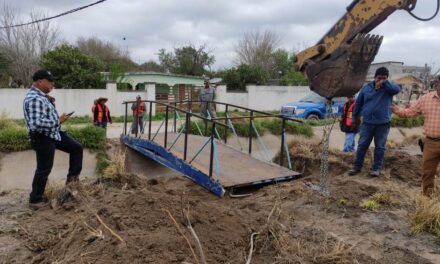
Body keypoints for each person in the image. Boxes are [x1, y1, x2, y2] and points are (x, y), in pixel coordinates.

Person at [23, 69, 83, 210]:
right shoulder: (34, 98)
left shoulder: (41, 96)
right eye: (50, 81)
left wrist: (49, 102)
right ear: (40, 81)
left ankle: (71, 185)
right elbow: (36, 124)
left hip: (54, 133)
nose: (52, 84)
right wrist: (58, 120)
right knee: (44, 169)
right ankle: (35, 200)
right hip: (43, 137)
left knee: (76, 148)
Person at [391, 78, 440, 197]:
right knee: (428, 172)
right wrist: (397, 110)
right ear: (438, 84)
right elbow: (411, 112)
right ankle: (427, 200)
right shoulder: (426, 99)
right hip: (431, 142)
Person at [348, 67, 401, 177]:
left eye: (384, 78)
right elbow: (358, 104)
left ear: (387, 79)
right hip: (367, 123)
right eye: (379, 78)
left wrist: (385, 83)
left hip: (383, 124)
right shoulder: (366, 88)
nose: (381, 80)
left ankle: (376, 169)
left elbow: (397, 89)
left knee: (380, 147)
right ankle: (357, 167)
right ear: (374, 77)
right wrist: (354, 119)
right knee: (362, 145)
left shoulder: (389, 88)